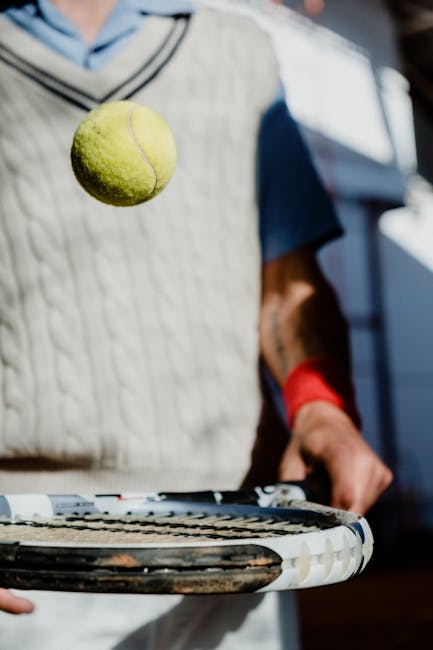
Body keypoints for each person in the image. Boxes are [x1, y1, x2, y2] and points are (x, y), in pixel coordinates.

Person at [0, 0, 391, 647]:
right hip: (22, 562)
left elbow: (286, 277)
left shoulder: (240, 51)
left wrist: (319, 406)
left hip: (232, 540)